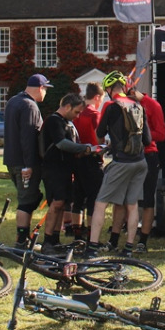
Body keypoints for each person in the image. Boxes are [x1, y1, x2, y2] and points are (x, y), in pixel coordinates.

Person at [88, 71, 151, 257]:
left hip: (121, 161)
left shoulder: (110, 105)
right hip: (140, 161)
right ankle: (129, 248)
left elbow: (99, 132)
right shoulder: (139, 106)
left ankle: (91, 248)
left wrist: (110, 143)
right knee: (132, 205)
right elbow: (147, 139)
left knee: (100, 203)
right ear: (123, 87)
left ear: (108, 88)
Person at [40, 94, 97, 255]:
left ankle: (55, 239)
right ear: (67, 106)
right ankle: (48, 240)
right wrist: (84, 148)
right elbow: (61, 143)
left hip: (66, 168)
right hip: (53, 168)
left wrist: (84, 151)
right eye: (76, 112)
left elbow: (72, 144)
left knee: (63, 203)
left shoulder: (67, 123)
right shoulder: (54, 121)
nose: (77, 116)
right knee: (56, 203)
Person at [3, 73, 53, 248]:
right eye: (46, 89)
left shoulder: (13, 102)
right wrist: (28, 165)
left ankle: (24, 239)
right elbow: (28, 138)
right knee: (26, 201)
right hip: (24, 162)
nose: (45, 93)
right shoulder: (29, 106)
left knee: (30, 197)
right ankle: (21, 241)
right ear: (40, 88)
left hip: (11, 160)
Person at [126, 84, 165, 253]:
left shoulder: (152, 105)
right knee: (129, 199)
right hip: (128, 155)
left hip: (148, 154)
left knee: (148, 198)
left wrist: (141, 135)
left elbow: (161, 134)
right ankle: (127, 237)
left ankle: (143, 240)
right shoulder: (122, 104)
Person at [70, 82, 105, 240]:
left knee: (78, 197)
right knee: (93, 197)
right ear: (97, 97)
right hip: (91, 157)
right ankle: (91, 232)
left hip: (77, 157)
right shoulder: (94, 114)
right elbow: (99, 136)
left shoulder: (78, 112)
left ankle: (77, 232)